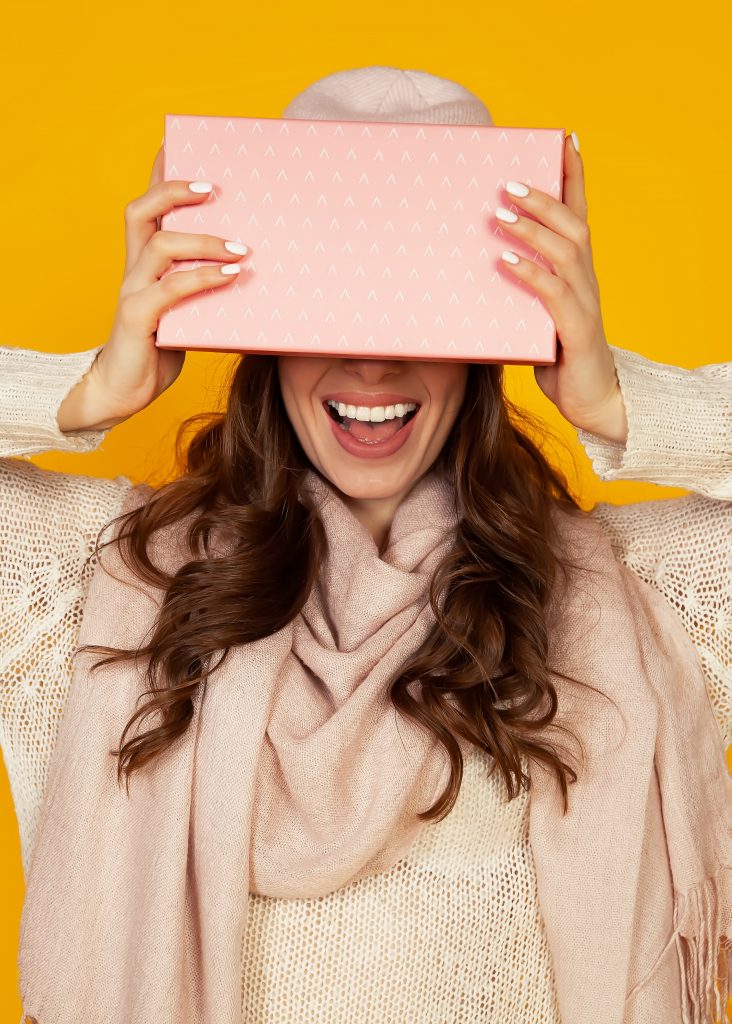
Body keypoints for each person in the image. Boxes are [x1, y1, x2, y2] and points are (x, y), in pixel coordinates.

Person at [2, 66, 730, 1024]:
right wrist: (92, 389)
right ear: (262, 327)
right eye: (328, 308)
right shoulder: (100, 589)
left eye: (419, 310)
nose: (373, 361)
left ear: (490, 336)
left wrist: (616, 398)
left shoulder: (632, 601)